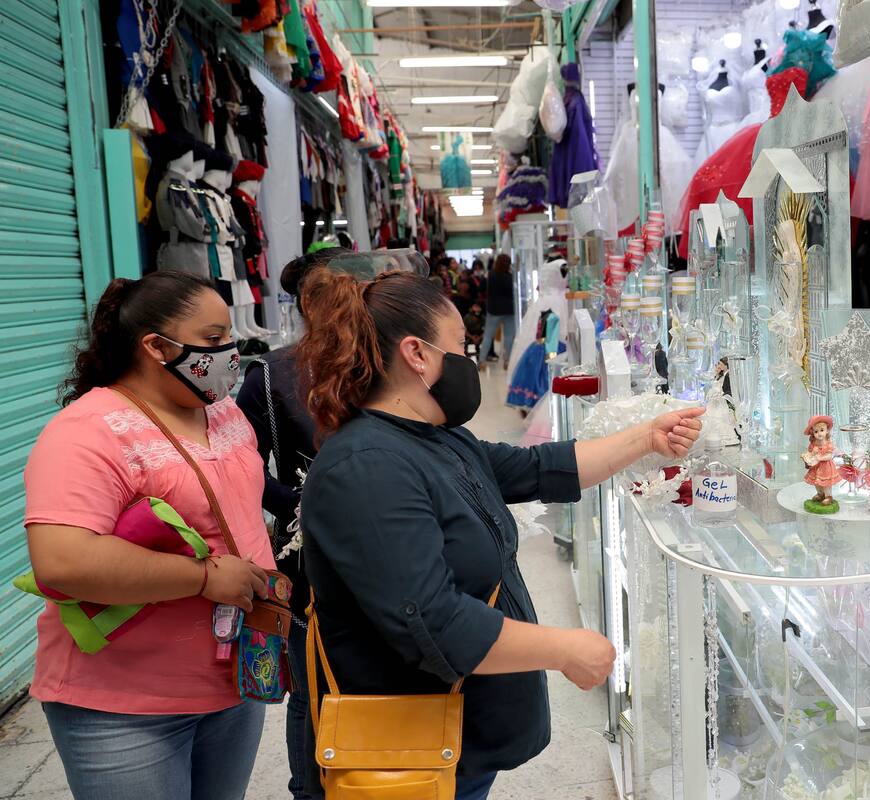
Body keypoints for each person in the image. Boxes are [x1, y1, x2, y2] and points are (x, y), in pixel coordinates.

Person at [295, 268, 704, 800]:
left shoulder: (437, 439)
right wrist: (563, 649)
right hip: (406, 755)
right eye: (460, 347)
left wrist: (648, 436)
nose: (468, 360)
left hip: (454, 740)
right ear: (417, 355)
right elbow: (434, 623)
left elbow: (539, 467)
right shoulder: (367, 468)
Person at [22, 271, 275, 799]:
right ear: (156, 347)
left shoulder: (223, 412)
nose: (228, 351)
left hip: (236, 682)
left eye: (228, 336)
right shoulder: (87, 432)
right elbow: (62, 562)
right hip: (124, 709)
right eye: (212, 340)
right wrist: (203, 578)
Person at [236, 248, 349, 800]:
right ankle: (311, 787)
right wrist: (302, 507)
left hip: (392, 541)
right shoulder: (269, 376)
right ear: (310, 302)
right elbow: (240, 468)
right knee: (309, 687)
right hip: (307, 557)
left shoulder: (392, 357)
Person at [479, 253, 516, 367]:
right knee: (509, 336)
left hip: (493, 309)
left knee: (488, 335)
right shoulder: (511, 278)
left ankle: (482, 361)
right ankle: (508, 361)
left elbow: (481, 289)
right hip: (509, 309)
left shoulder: (490, 275)